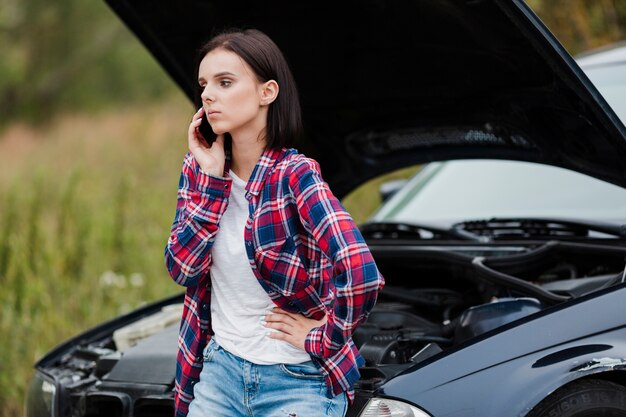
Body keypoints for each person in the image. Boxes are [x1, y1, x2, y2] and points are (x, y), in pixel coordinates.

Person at [165, 28, 384, 417]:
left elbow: (360, 271)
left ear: (267, 92)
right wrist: (214, 184)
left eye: (225, 82)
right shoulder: (198, 170)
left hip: (295, 380)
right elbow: (181, 268)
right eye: (204, 84)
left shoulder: (294, 175)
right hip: (220, 372)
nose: (208, 95)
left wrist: (322, 337)